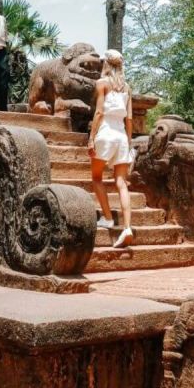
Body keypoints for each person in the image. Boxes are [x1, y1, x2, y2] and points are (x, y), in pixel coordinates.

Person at [88, 50, 135, 248]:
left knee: (97, 177)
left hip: (106, 133)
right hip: (122, 136)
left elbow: (99, 112)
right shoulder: (127, 87)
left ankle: (107, 218)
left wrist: (91, 138)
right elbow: (129, 118)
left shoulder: (102, 84)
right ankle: (127, 228)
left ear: (106, 64)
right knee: (121, 183)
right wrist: (129, 141)